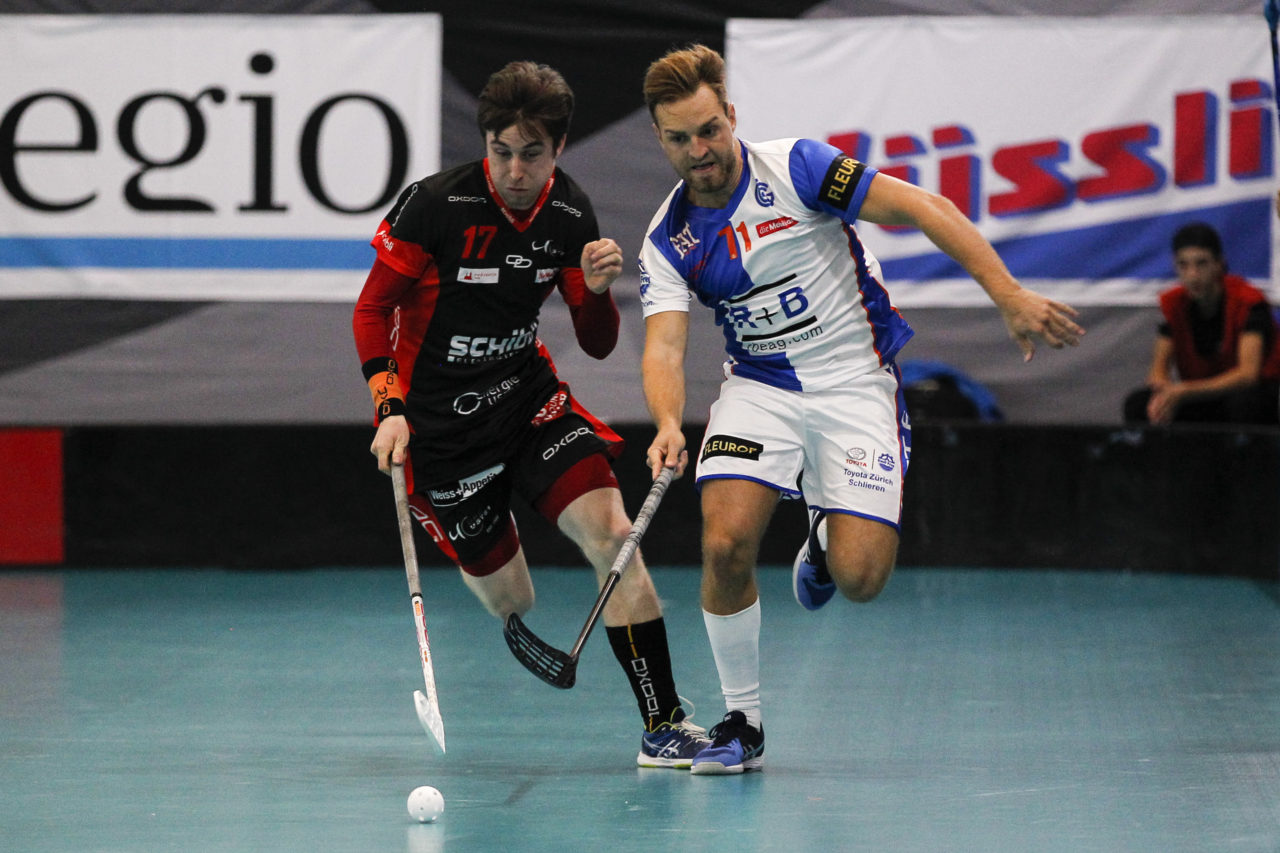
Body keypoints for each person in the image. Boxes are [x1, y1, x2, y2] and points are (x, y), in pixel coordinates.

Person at [637, 44, 1085, 775]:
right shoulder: (669, 239)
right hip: (761, 386)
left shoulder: (802, 168)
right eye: (681, 138)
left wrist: (1009, 294)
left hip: (855, 380)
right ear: (661, 140)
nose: (701, 150)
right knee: (723, 543)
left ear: (731, 117)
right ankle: (742, 721)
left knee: (861, 580)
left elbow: (922, 206)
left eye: (710, 129)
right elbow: (663, 348)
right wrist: (664, 421)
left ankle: (821, 537)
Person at [352, 61, 709, 768]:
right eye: (501, 151)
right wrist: (387, 408)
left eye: (532, 153)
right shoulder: (434, 205)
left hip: (528, 400)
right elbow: (372, 310)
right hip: (443, 437)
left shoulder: (571, 214)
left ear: (561, 147)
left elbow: (599, 341)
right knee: (510, 598)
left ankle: (663, 723)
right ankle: (486, 519)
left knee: (614, 534)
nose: (515, 170)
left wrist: (600, 291)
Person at [1122, 223, 1280, 425]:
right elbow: (1158, 371)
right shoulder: (1173, 304)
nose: (1192, 275)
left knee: (1245, 402)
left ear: (1219, 264)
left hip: (1252, 396)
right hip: (1200, 396)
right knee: (1139, 404)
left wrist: (1184, 391)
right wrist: (1162, 395)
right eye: (1184, 265)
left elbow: (1248, 375)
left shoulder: (1248, 302)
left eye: (1201, 264)